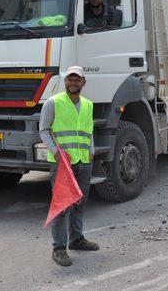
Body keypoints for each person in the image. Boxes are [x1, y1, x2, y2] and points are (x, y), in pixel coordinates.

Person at [40, 66, 99, 267]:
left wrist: (92, 150)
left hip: (83, 160)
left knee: (79, 202)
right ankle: (58, 248)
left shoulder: (88, 105)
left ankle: (76, 239)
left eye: (77, 79)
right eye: (70, 79)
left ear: (83, 83)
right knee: (61, 205)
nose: (73, 82)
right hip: (63, 163)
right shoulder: (53, 102)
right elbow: (44, 130)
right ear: (65, 81)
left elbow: (88, 131)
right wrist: (56, 154)